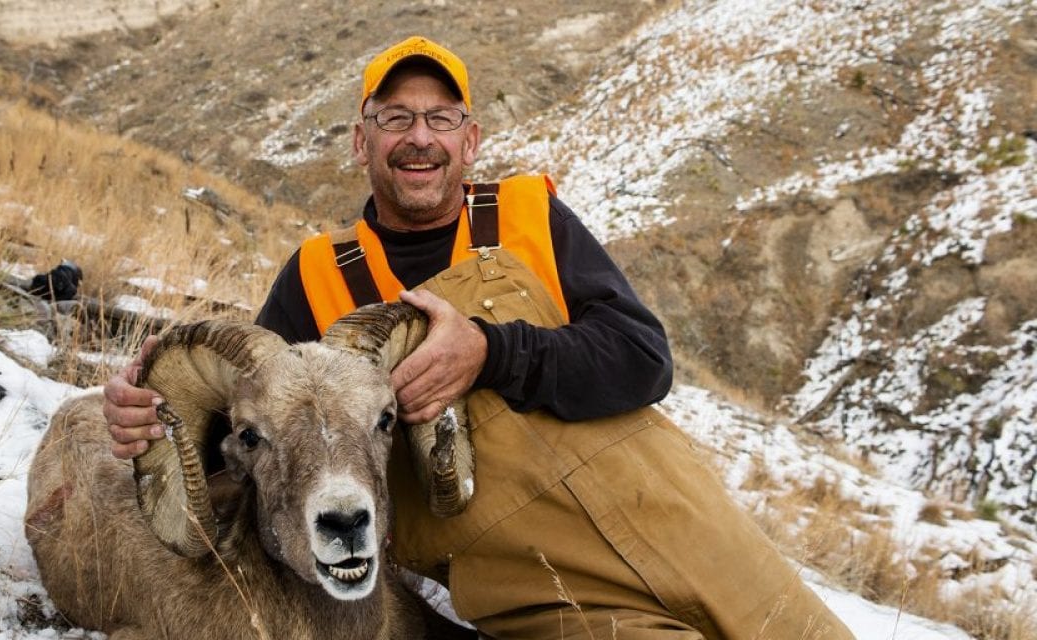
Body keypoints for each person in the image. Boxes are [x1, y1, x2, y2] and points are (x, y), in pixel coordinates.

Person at [105, 36, 853, 640]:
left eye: (440, 118)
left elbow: (643, 359)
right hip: (534, 589)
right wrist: (151, 421)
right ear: (360, 142)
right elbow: (253, 432)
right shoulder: (314, 276)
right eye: (395, 118)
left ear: (471, 140)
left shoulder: (532, 217)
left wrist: (492, 353)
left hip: (672, 519)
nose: (419, 138)